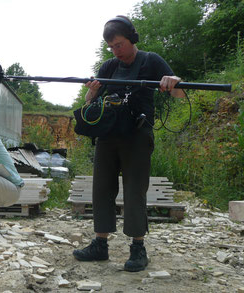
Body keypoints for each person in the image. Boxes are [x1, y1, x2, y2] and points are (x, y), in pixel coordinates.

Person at [72, 16, 185, 272]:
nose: (116, 51)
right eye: (111, 47)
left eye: (120, 44)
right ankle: (100, 245)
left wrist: (173, 81)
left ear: (132, 39)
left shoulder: (151, 60)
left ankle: (138, 248)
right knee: (101, 188)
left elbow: (181, 93)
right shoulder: (109, 66)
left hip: (137, 135)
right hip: (107, 135)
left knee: (135, 190)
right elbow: (90, 104)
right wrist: (91, 90)